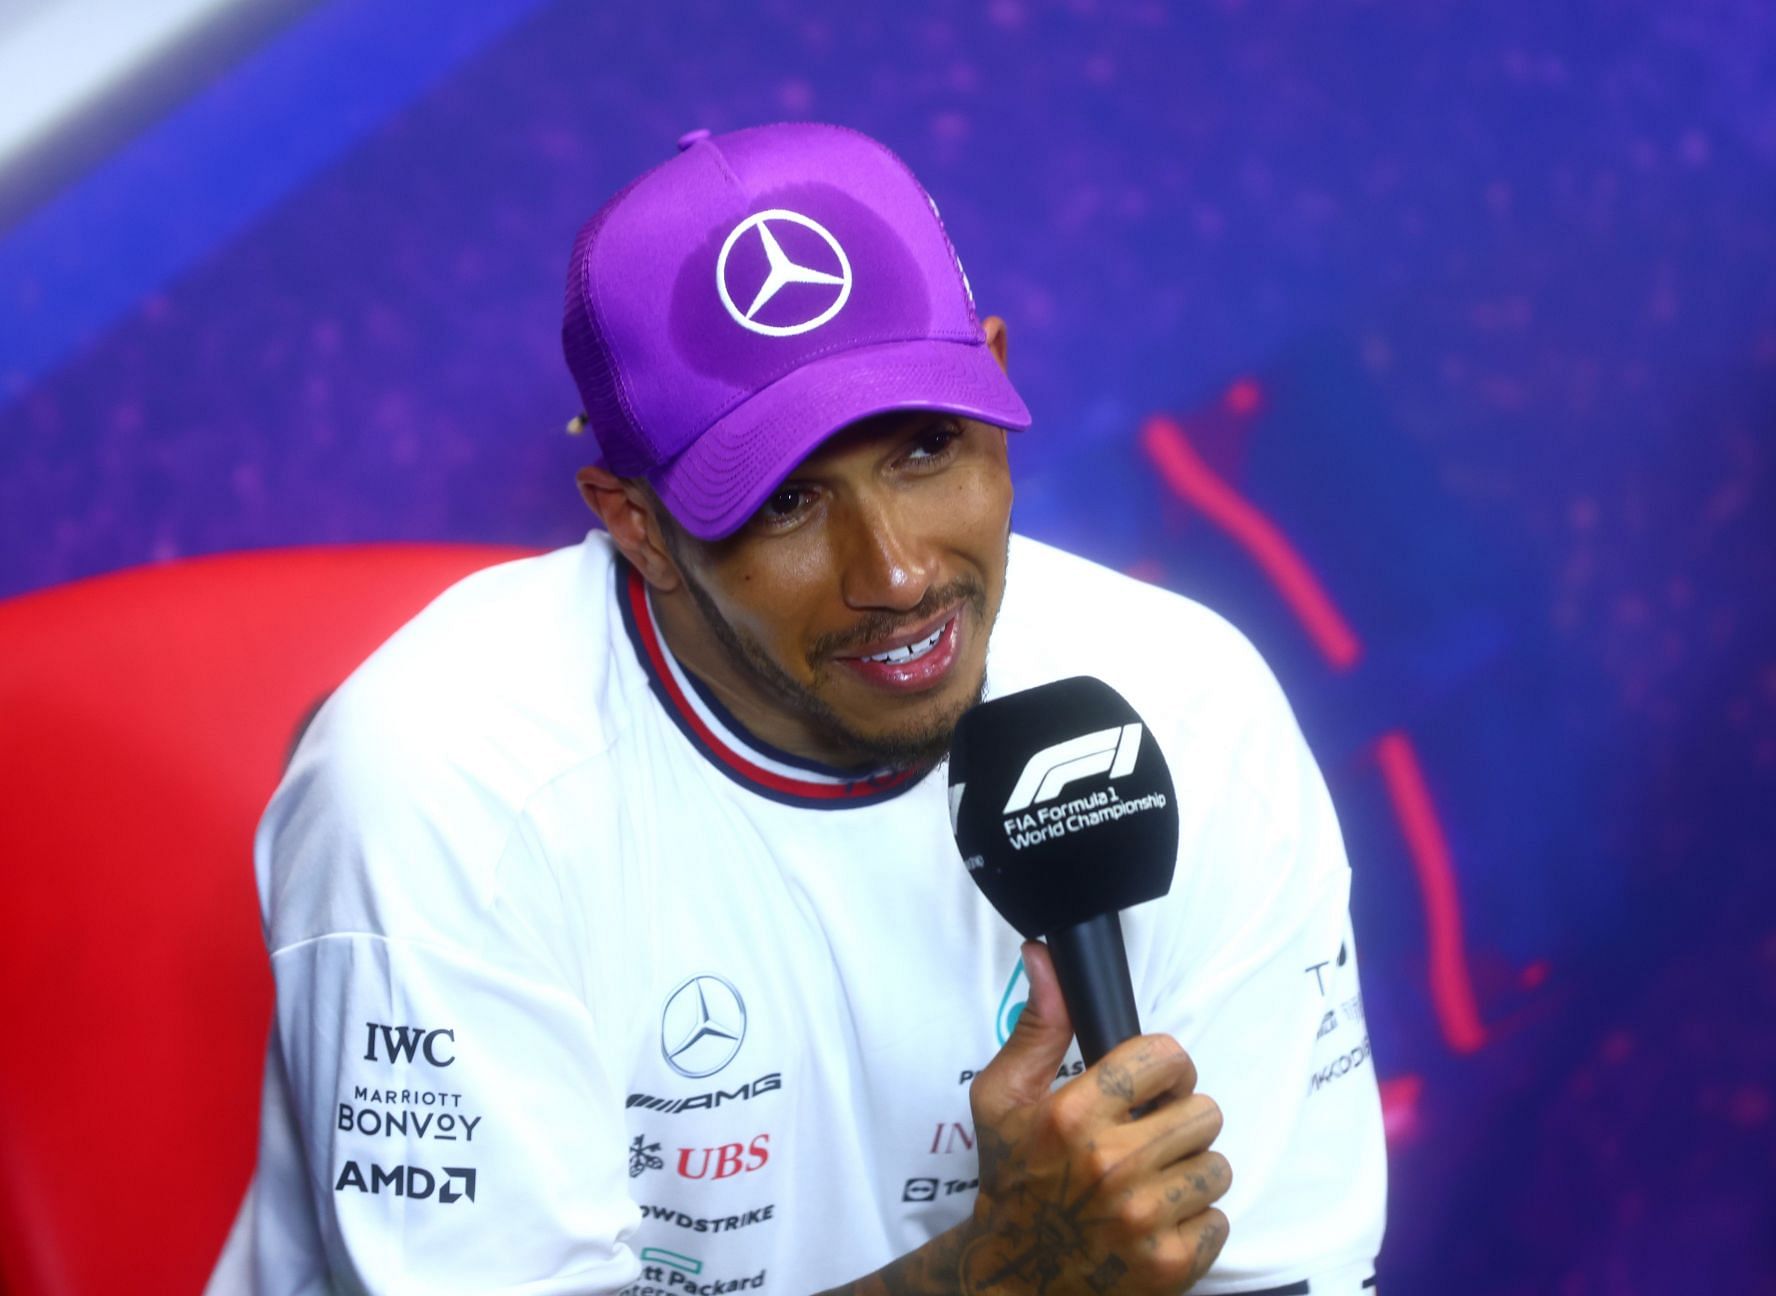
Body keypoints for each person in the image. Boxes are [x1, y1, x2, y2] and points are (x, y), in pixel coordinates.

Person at [208, 121, 1386, 1295]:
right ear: (634, 521)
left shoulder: (1180, 702)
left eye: (927, 446)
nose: (898, 574)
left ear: (996, 374)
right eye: (784, 502)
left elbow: (1283, 1273)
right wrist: (1002, 1275)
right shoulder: (443, 787)